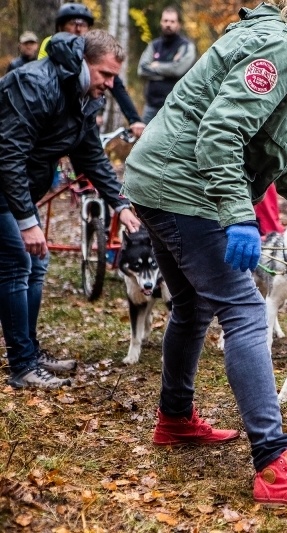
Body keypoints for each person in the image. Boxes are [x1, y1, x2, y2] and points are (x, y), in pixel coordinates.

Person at [122, 0, 287, 507]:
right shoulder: (282, 46)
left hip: (159, 177)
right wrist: (239, 216)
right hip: (182, 186)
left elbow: (284, 160)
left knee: (194, 304)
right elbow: (220, 132)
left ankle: (174, 418)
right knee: (243, 310)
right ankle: (274, 464)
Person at [0, 30, 141, 389]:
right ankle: (22, 365)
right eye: (104, 75)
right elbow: (10, 154)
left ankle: (28, 351)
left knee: (37, 262)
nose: (109, 85)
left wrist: (121, 205)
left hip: (23, 187)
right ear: (82, 64)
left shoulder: (84, 96)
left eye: (114, 77)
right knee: (18, 262)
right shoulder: (34, 83)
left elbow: (90, 156)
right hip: (4, 183)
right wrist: (28, 222)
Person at [39, 3, 146, 138]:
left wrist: (134, 119)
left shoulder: (92, 51)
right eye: (73, 23)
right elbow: (45, 83)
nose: (78, 29)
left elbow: (115, 85)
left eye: (83, 25)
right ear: (60, 27)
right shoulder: (51, 45)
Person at [137, 6, 197, 124]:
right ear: (161, 22)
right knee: (143, 141)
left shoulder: (186, 46)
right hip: (151, 106)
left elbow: (178, 70)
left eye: (172, 21)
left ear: (178, 24)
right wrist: (168, 71)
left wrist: (157, 65)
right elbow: (142, 70)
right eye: (165, 21)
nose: (168, 24)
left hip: (174, 107)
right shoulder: (154, 45)